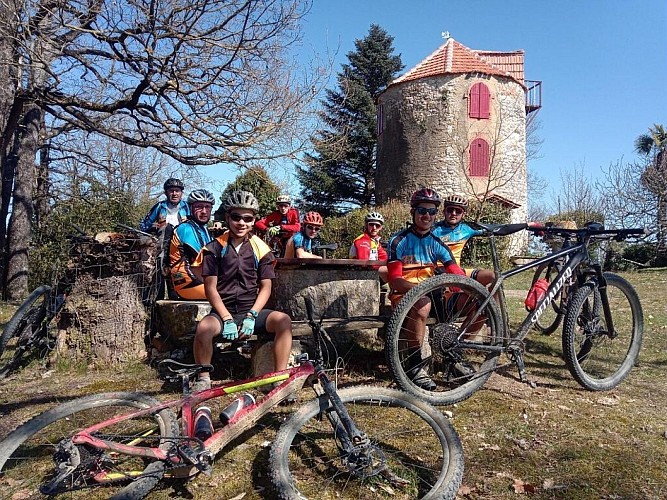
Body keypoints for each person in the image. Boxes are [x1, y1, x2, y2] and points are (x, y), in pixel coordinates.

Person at [192, 190, 293, 392]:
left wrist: (252, 314)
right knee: (203, 328)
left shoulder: (260, 248)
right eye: (236, 217)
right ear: (228, 217)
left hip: (250, 312)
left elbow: (266, 287)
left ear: (254, 220)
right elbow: (210, 288)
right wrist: (226, 318)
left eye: (248, 218)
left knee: (284, 321)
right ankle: (203, 378)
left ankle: (279, 378)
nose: (241, 223)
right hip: (222, 313)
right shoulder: (214, 248)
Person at [386, 187, 466, 390]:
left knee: (473, 301)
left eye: (432, 212)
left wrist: (467, 288)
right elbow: (395, 280)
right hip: (404, 296)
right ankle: (415, 367)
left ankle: (456, 357)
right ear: (413, 212)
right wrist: (421, 288)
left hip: (432, 295)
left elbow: (455, 271)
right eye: (422, 211)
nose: (427, 216)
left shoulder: (437, 243)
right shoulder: (398, 241)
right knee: (423, 305)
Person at [139, 178, 190, 299]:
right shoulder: (159, 206)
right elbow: (144, 225)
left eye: (177, 191)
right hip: (162, 246)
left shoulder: (187, 207)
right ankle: (157, 301)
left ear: (181, 193)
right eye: (171, 191)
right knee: (160, 272)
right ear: (166, 193)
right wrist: (155, 227)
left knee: (179, 274)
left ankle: (179, 298)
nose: (174, 194)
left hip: (180, 247)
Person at [432, 194, 495, 288]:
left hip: (458, 271)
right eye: (450, 210)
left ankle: (492, 303)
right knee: (465, 293)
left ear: (463, 214)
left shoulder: (467, 229)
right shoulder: (433, 230)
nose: (453, 213)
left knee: (493, 277)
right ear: (444, 211)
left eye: (458, 211)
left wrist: (524, 225)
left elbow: (497, 229)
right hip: (438, 273)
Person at [168, 189, 215, 300]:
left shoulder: (204, 230)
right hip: (188, 284)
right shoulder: (186, 228)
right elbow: (205, 260)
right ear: (190, 208)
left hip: (200, 281)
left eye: (207, 207)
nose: (204, 211)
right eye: (199, 207)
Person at [349, 211, 389, 282]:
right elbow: (364, 263)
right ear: (366, 225)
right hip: (359, 273)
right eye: (371, 224)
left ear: (381, 227)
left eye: (377, 225)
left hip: (371, 271)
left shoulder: (374, 241)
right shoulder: (363, 240)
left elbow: (384, 258)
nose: (374, 228)